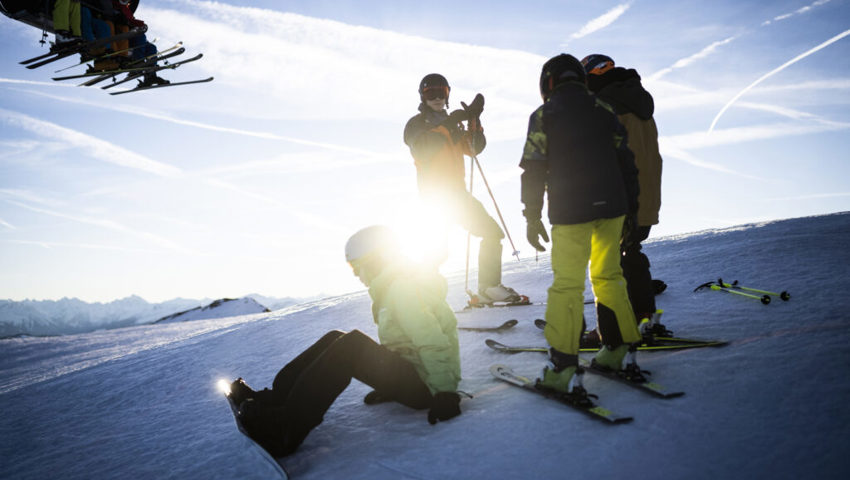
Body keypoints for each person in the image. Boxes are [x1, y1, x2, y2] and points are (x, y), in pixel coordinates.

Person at [227, 225, 463, 457]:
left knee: (352, 347)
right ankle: (273, 400)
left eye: (356, 266)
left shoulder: (404, 289)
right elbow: (404, 344)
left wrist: (444, 394)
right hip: (416, 375)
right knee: (336, 337)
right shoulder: (395, 287)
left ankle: (284, 429)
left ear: (376, 260)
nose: (355, 274)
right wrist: (390, 382)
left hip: (430, 388)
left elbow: (432, 341)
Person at [519, 53, 645, 397]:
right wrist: (632, 210)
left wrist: (531, 216)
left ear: (548, 83)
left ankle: (562, 368)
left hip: (571, 212)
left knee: (567, 287)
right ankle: (619, 350)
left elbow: (532, 168)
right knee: (609, 277)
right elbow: (627, 161)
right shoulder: (603, 109)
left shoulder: (544, 115)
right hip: (613, 208)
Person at [403, 73, 521, 304]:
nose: (437, 98)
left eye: (442, 92)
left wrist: (474, 121)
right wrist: (448, 125)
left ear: (448, 94)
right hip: (434, 198)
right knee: (436, 251)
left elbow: (474, 149)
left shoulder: (453, 123)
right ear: (423, 96)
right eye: (431, 93)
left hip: (458, 195)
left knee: (491, 232)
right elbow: (422, 149)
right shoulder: (416, 124)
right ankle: (418, 300)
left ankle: (488, 288)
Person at [581, 54, 667, 336]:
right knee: (631, 253)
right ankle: (644, 317)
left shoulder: (606, 106)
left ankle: (615, 327)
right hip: (647, 197)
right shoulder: (637, 101)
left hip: (620, 196)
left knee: (608, 261)